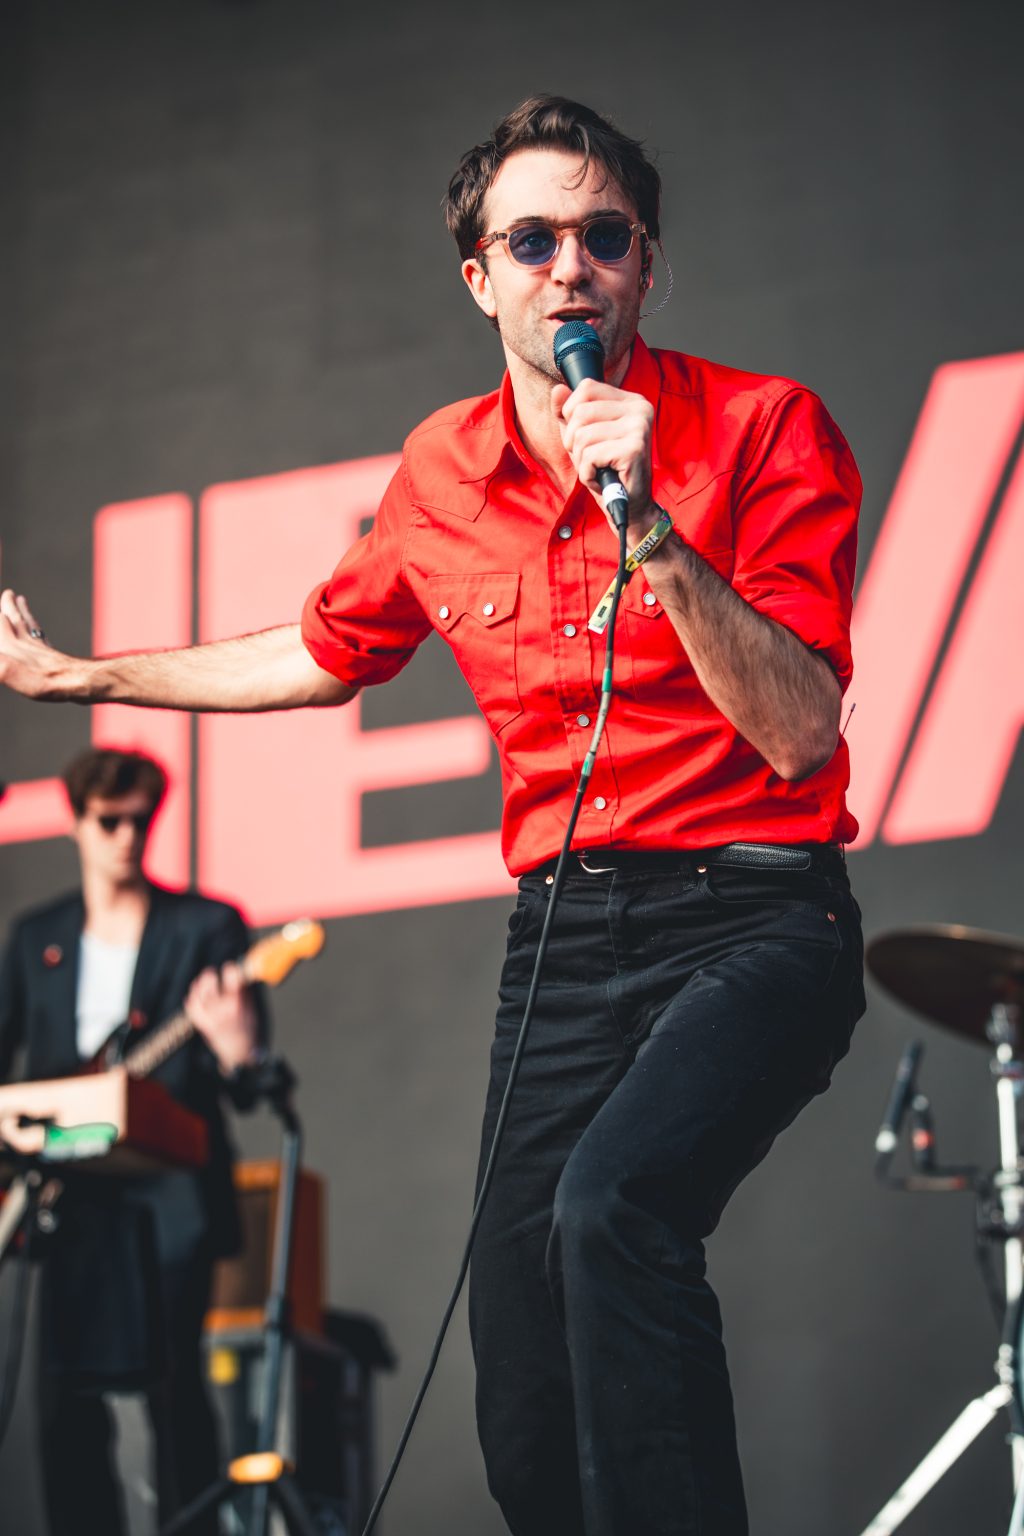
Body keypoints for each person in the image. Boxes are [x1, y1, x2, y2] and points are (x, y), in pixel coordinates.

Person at [0, 96, 865, 1535]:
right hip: (568, 940)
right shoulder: (440, 472)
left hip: (756, 914)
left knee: (616, 1216)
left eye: (604, 237)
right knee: (520, 1364)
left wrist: (647, 517)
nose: (569, 268)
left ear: (649, 267)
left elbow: (797, 727)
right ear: (479, 274)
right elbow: (315, 652)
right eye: (532, 240)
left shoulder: (765, 426)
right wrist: (77, 672)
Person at [0, 747, 263, 1536]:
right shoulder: (36, 937)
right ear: (77, 823)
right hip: (66, 1194)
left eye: (140, 820)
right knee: (61, 1400)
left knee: (173, 1387)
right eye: (108, 820)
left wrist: (237, 1049)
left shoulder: (206, 927)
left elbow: (246, 1083)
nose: (125, 836)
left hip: (168, 1191)